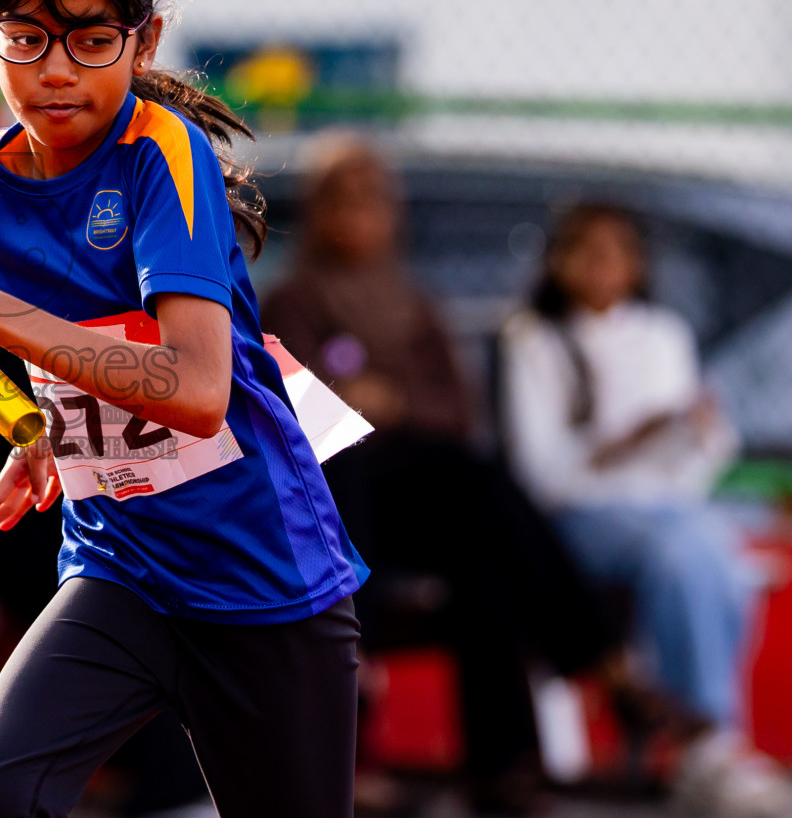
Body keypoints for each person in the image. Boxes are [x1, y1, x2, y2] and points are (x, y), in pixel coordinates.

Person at [0, 0, 367, 818]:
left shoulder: (161, 155)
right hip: (120, 569)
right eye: (26, 37)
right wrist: (50, 435)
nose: (57, 71)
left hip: (261, 583)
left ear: (145, 40)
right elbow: (80, 333)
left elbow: (199, 391)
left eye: (91, 40)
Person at [261, 141, 646, 813]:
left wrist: (393, 403)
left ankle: (505, 767)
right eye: (340, 200)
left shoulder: (415, 302)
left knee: (481, 548)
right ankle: (602, 662)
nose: (356, 215)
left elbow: (458, 412)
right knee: (440, 488)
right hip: (337, 504)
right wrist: (360, 406)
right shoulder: (291, 302)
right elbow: (292, 414)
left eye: (371, 200)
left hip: (421, 496)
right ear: (317, 213)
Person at [502, 203, 792, 818]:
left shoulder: (665, 335)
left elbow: (698, 469)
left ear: (637, 265)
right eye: (586, 251)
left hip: (669, 507)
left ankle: (710, 742)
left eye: (616, 252)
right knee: (685, 550)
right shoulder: (533, 338)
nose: (601, 266)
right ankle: (707, 743)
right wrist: (621, 445)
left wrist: (694, 432)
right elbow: (541, 477)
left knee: (717, 548)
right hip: (583, 516)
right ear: (558, 262)